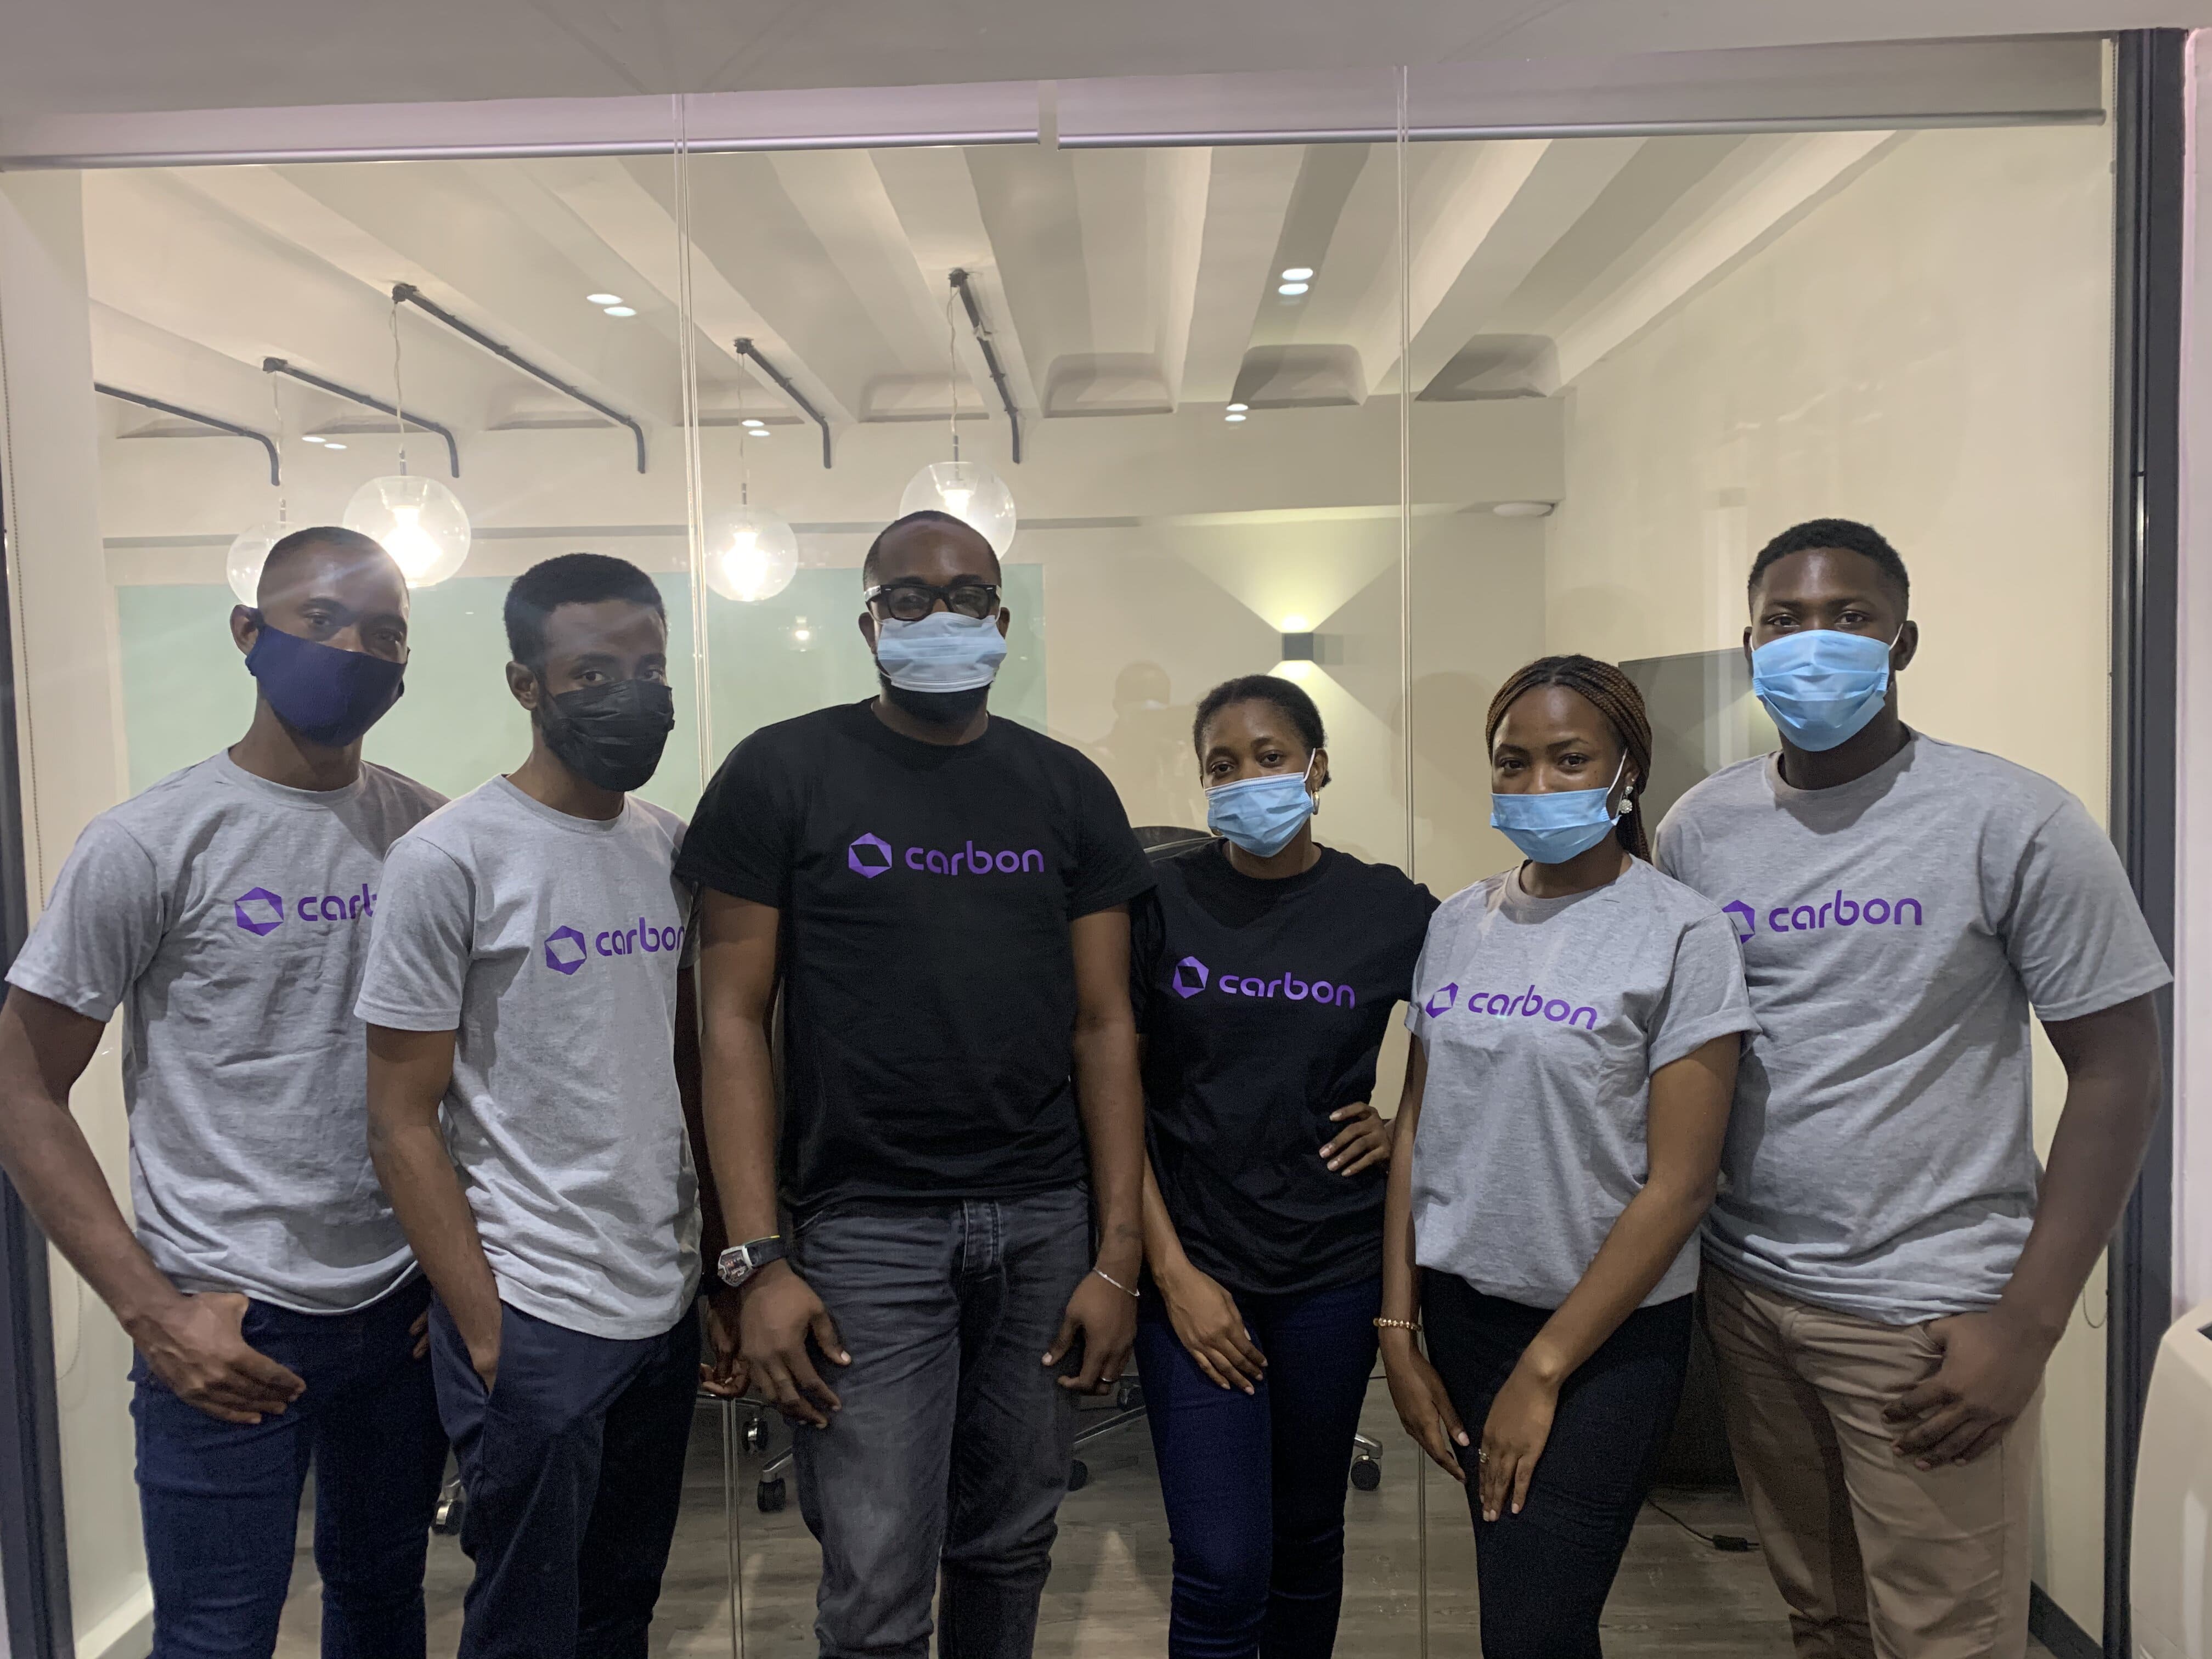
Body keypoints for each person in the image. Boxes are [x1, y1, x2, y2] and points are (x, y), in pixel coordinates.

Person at [1655, 518, 2168, 1659]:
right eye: (1785, 620)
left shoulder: (2013, 817)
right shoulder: (1701, 829)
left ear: (1903, 640)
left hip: (1927, 1317)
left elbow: (2120, 1068)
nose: (1814, 641)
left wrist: (2027, 1323)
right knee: (1824, 1619)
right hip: (1751, 1294)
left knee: (1946, 1638)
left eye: (1850, 617)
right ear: (1751, 647)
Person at [681, 510, 1155, 1659]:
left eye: (965, 597)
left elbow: (1105, 1026)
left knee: (1010, 1546)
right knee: (877, 1582)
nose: (938, 616)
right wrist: (755, 1260)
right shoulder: (782, 771)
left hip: (1044, 1223)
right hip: (863, 1231)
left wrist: (1118, 1256)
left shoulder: (1066, 787)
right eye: (908, 598)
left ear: (1002, 620)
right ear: (869, 624)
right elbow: (728, 1023)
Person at [0, 528, 448, 1658]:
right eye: (322, 622)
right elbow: (20, 1086)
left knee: (385, 1606)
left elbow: (474, 1078)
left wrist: (459, 1269)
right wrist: (152, 1312)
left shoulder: (431, 837)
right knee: (215, 1638)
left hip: (401, 1310)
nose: (355, 651)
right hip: (226, 1318)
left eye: (385, 634)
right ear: (249, 633)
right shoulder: (148, 844)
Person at [357, 552, 739, 1659]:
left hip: (659, 1298)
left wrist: (714, 1268)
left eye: (649, 668)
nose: (630, 693)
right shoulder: (449, 859)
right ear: (526, 685)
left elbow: (684, 1074)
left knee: (621, 1611)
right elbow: (399, 1119)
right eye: (592, 674)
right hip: (536, 1311)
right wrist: (486, 1327)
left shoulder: (668, 848)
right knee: (526, 1626)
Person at [1381, 655, 1756, 1659]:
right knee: (1523, 1609)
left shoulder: (1683, 932)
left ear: (1627, 772)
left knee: (1533, 1626)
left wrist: (1543, 1370)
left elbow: (1681, 1184)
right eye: (1513, 762)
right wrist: (1398, 1330)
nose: (1537, 783)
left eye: (1569, 759)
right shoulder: (1458, 923)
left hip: (1606, 1341)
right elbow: (1416, 1123)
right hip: (1465, 1317)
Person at [1132, 673, 1436, 1659]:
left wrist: (1409, 1128)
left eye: (1270, 757)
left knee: (1306, 1538)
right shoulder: (1158, 902)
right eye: (1223, 765)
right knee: (1220, 1563)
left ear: (1318, 767)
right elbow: (1112, 1098)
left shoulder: (1387, 907)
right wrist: (1171, 1274)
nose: (1248, 779)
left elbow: (1484, 1034)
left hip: (1332, 1272)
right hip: (1194, 1265)